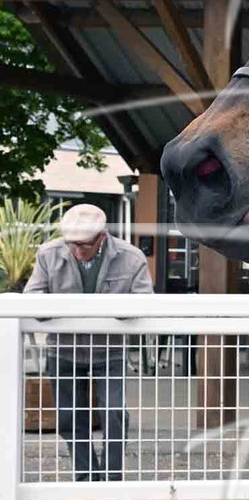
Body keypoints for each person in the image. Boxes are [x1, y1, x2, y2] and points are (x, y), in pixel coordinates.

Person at [23, 203, 154, 480]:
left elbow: (144, 301)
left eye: (82, 245)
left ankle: (111, 478)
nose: (75, 250)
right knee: (70, 416)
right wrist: (61, 309)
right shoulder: (48, 253)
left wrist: (110, 311)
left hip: (111, 350)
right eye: (70, 243)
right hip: (63, 349)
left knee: (114, 412)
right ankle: (85, 477)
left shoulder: (132, 258)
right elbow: (32, 298)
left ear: (101, 237)